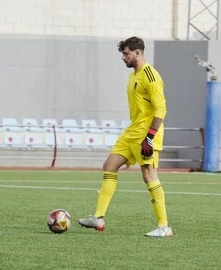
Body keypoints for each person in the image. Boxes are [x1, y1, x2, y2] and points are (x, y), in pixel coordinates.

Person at [78, 36, 172, 237]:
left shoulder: (151, 76)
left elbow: (161, 109)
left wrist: (150, 137)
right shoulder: (133, 76)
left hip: (146, 134)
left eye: (126, 53)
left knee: (148, 175)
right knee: (109, 166)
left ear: (137, 53)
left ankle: (164, 226)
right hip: (132, 132)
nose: (123, 57)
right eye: (122, 53)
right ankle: (99, 217)